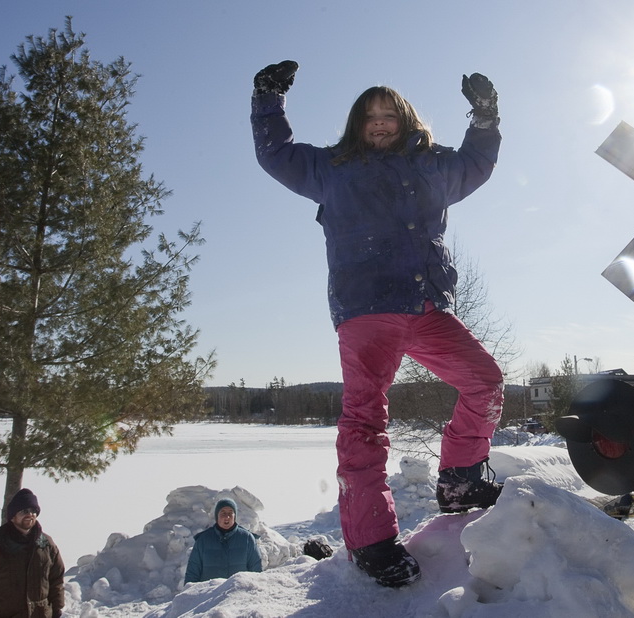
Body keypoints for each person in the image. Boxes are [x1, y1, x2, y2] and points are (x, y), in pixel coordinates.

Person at [250, 60, 505, 588]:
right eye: (371, 116)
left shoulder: (433, 166)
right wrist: (268, 100)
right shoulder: (333, 168)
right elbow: (275, 154)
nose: (381, 122)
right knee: (365, 420)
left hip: (428, 304)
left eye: (389, 114)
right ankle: (370, 540)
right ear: (357, 124)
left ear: (405, 118)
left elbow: (477, 163)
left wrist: (485, 117)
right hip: (367, 307)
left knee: (485, 381)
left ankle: (461, 479)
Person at [0, 488, 65, 618]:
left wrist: (56, 610)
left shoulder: (47, 545)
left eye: (34, 511)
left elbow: (56, 581)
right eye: (24, 511)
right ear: (12, 517)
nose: (30, 514)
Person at [184, 498, 263, 583]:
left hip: (238, 594)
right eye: (223, 513)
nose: (227, 517)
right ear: (217, 516)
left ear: (235, 516)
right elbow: (192, 573)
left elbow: (256, 572)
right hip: (209, 595)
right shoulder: (203, 540)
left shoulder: (247, 538)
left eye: (230, 513)